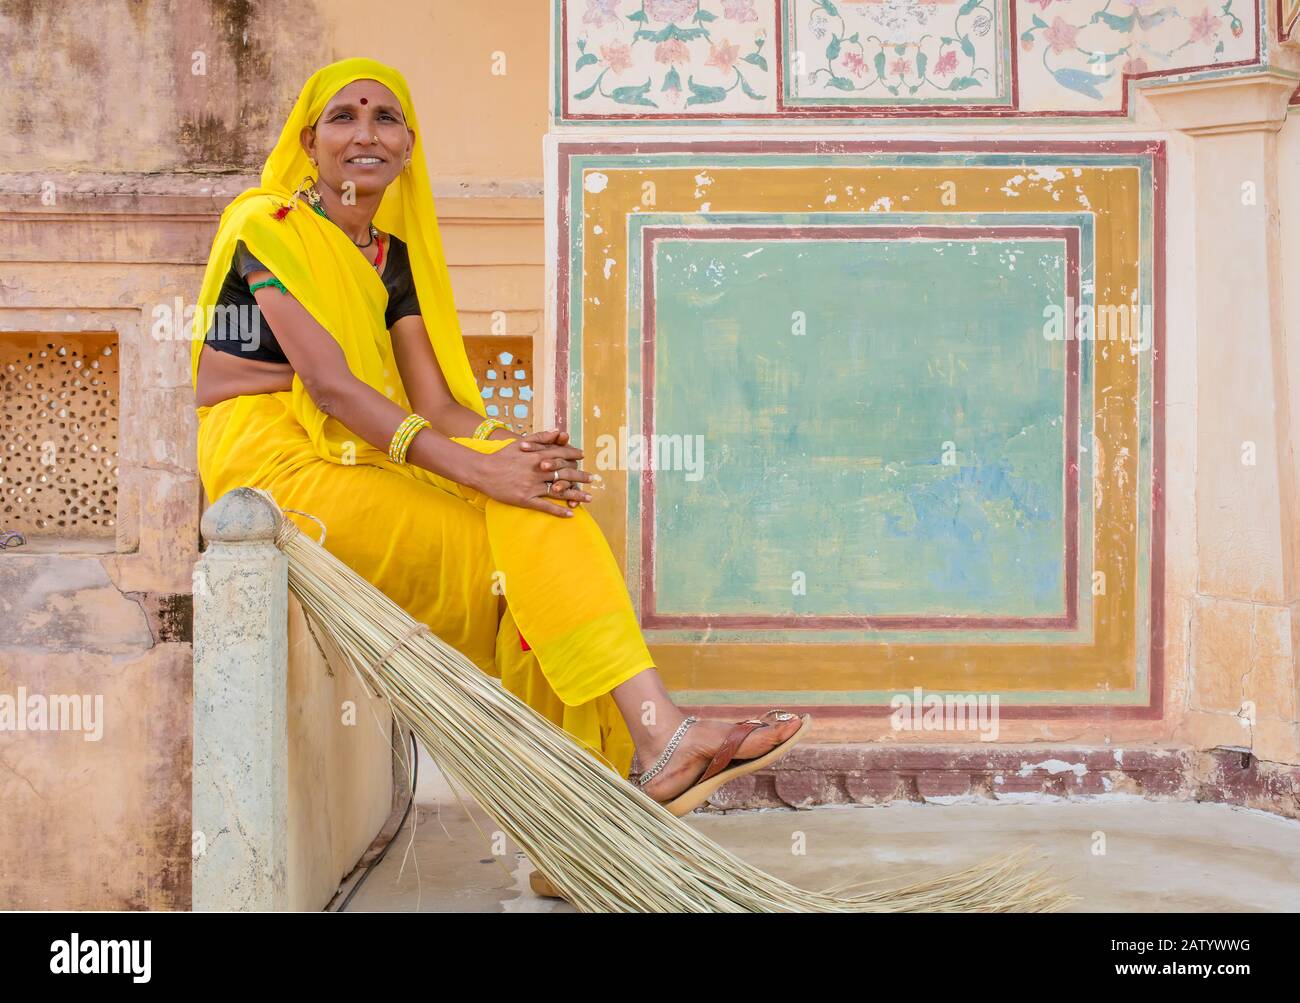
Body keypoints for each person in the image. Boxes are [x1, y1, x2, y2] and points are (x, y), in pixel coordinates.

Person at [190, 58, 809, 841]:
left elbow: (440, 405)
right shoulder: (266, 226)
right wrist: (482, 470)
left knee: (544, 512)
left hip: (358, 452)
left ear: (409, 147)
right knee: (511, 542)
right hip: (276, 469)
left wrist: (513, 448)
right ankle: (631, 765)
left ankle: (615, 791)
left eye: (387, 117)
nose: (366, 132)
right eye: (344, 116)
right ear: (309, 141)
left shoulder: (390, 256)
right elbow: (333, 388)